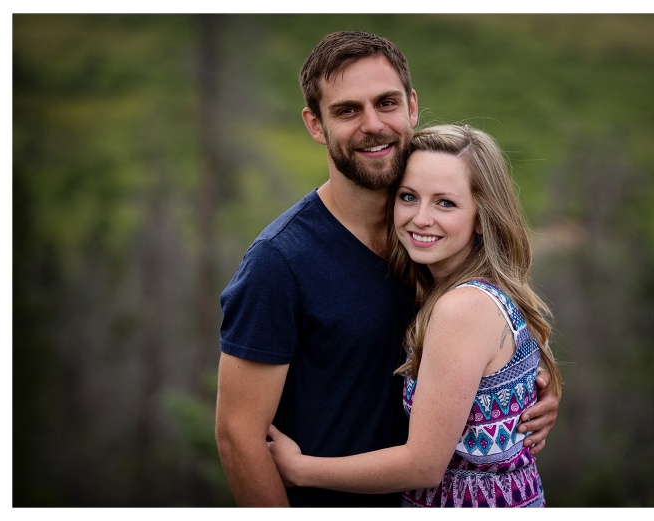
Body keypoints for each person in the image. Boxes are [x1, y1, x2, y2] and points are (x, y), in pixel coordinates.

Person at [215, 31, 560, 508]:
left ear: (412, 107)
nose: (373, 125)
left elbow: (485, 335)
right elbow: (238, 435)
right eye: (347, 110)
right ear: (315, 125)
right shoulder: (279, 263)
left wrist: (529, 393)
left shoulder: (430, 245)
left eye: (387, 103)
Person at [266, 123, 562, 507]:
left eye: (445, 203)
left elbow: (423, 467)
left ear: (481, 216)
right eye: (409, 197)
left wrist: (299, 469)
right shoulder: (480, 293)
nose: (421, 218)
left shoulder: (460, 309)